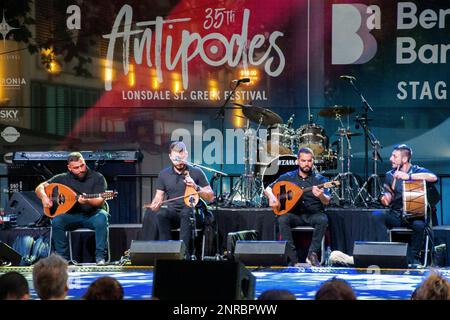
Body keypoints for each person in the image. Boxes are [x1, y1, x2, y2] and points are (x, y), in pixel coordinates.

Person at [35, 152, 109, 265]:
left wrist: (87, 200)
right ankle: (63, 259)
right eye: (76, 167)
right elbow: (39, 187)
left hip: (92, 215)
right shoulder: (62, 178)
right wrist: (44, 197)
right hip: (71, 216)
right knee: (57, 221)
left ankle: (100, 257)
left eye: (82, 165)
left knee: (102, 217)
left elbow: (100, 201)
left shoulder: (97, 177)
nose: (81, 169)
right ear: (69, 168)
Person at [146, 141, 214, 258]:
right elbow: (158, 197)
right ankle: (166, 253)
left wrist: (196, 187)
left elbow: (210, 197)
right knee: (161, 215)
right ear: (170, 156)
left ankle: (184, 255)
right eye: (175, 158)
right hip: (174, 213)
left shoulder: (196, 172)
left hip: (192, 213)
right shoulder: (164, 174)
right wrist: (155, 204)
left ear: (186, 155)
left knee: (186, 212)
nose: (178, 161)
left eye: (180, 157)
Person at [264, 147, 330, 267]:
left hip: (313, 215)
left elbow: (326, 201)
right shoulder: (287, 177)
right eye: (304, 161)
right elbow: (268, 188)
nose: (306, 164)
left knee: (323, 219)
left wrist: (321, 196)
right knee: (283, 218)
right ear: (298, 161)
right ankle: (292, 258)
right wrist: (271, 197)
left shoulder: (320, 179)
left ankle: (312, 255)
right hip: (295, 215)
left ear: (312, 162)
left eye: (309, 161)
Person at [380, 144, 438, 266]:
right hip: (396, 215)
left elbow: (433, 177)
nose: (391, 158)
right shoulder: (390, 175)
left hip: (414, 215)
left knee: (419, 225)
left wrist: (409, 177)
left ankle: (415, 259)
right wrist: (385, 198)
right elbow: (388, 195)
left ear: (405, 159)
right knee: (377, 216)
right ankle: (383, 255)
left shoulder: (417, 170)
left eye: (394, 156)